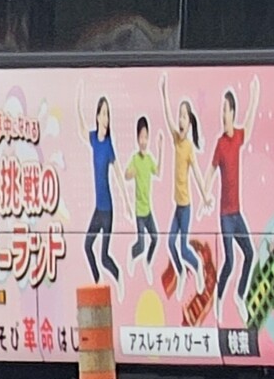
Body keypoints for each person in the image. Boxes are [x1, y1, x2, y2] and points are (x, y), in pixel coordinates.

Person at [212, 77, 259, 315]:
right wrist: (205, 198)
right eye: (222, 110)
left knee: (250, 254)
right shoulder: (220, 144)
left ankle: (240, 295)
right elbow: (211, 173)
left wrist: (254, 97)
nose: (223, 114)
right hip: (225, 215)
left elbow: (248, 125)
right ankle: (218, 300)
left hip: (237, 213)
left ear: (232, 112)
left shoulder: (237, 137)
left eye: (225, 110)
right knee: (229, 261)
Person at [159, 76, 208, 294]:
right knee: (170, 243)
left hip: (186, 206)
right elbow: (167, 117)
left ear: (190, 123)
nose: (180, 120)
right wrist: (163, 92)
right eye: (180, 116)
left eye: (184, 117)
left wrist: (205, 196)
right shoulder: (176, 140)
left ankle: (197, 269)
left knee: (182, 246)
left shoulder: (188, 146)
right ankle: (180, 272)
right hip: (177, 206)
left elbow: (196, 173)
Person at [77, 88, 120, 284]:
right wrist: (78, 102)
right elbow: (81, 129)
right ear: (97, 116)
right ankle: (96, 282)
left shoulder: (108, 145)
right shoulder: (94, 139)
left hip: (108, 210)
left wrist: (127, 204)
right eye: (103, 113)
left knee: (104, 257)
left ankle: (118, 278)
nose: (105, 118)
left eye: (107, 114)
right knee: (87, 246)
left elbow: (118, 175)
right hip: (97, 209)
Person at [124, 116, 162, 281]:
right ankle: (132, 256)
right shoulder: (135, 158)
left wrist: (160, 150)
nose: (143, 141)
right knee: (141, 244)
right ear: (137, 139)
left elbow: (158, 172)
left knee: (155, 237)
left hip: (148, 210)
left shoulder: (149, 159)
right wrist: (131, 173)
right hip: (139, 212)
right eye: (141, 137)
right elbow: (126, 175)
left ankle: (147, 263)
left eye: (146, 137)